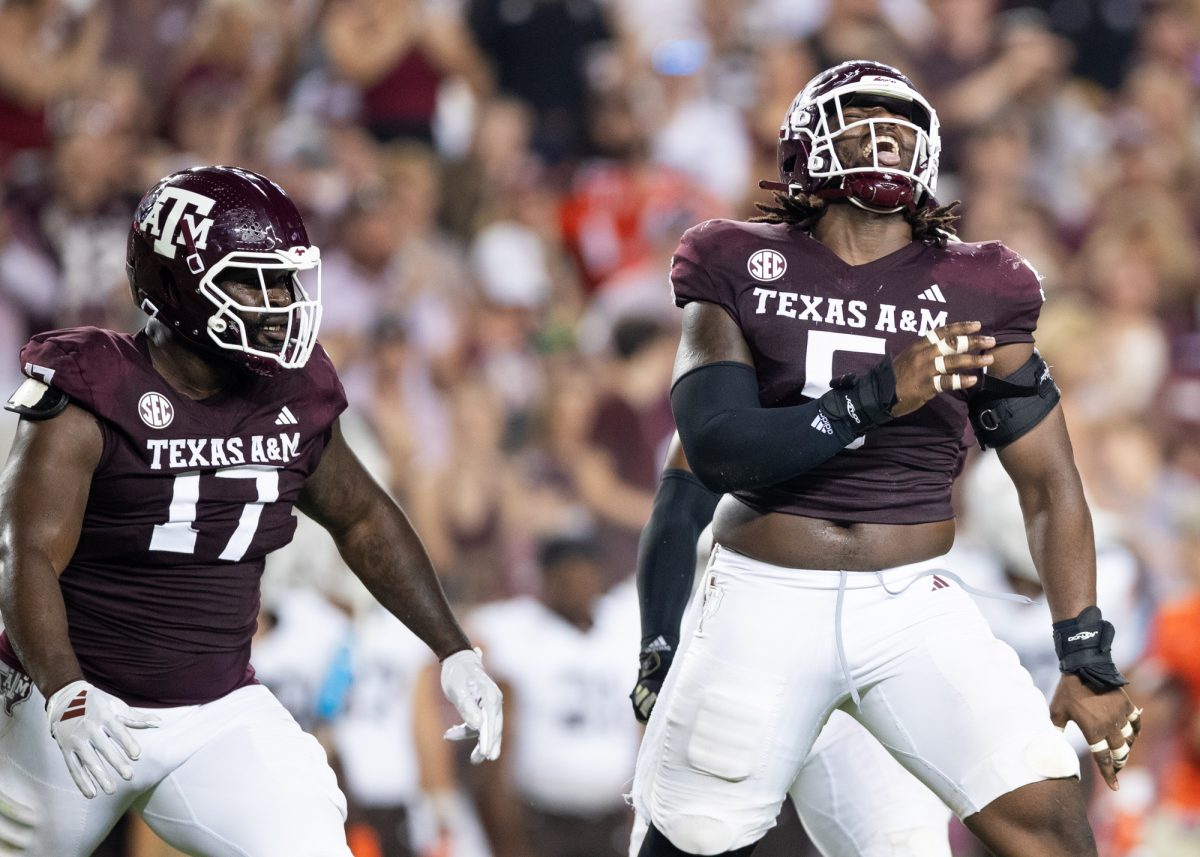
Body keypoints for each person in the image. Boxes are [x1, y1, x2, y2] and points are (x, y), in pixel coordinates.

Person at [630, 60, 1141, 857]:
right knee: (693, 840)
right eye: (860, 114)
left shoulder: (983, 283)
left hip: (910, 601)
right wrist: (875, 397)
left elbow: (1048, 481)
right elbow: (714, 451)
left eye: (902, 120)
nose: (886, 132)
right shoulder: (735, 259)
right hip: (765, 595)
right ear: (803, 145)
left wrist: (1085, 652)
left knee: (1050, 824)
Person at [0, 165, 503, 857]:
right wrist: (66, 692)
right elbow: (22, 553)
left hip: (215, 710)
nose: (278, 303)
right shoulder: (93, 389)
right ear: (174, 284)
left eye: (284, 280)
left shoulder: (289, 392)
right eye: (251, 280)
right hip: (68, 705)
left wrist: (452, 645)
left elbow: (362, 519)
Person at [630, 434, 952, 857]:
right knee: (700, 836)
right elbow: (680, 507)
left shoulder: (920, 378)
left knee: (907, 845)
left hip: (869, 649)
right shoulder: (754, 375)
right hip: (743, 650)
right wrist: (658, 645)